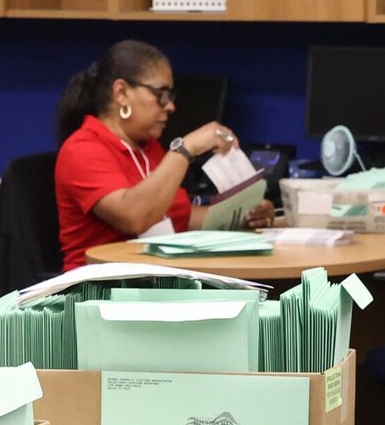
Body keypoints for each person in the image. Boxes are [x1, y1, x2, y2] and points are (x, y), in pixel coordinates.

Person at [51, 40, 254, 269]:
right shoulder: (82, 149)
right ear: (122, 93)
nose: (170, 106)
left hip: (151, 281)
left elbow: (180, 218)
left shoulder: (148, 148)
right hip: (99, 290)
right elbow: (135, 218)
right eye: (161, 94)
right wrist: (185, 149)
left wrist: (244, 215)